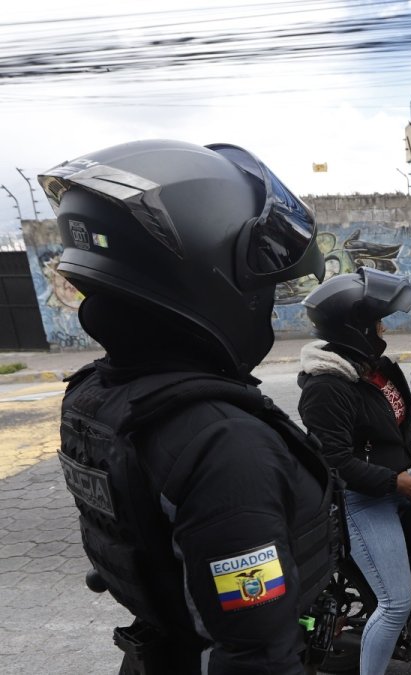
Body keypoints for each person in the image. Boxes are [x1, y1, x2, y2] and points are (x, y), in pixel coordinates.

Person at [42, 140, 338, 674]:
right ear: (208, 278)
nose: (267, 307)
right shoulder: (224, 447)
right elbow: (256, 657)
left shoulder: (93, 395)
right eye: (264, 291)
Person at [297, 268, 411, 675]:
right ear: (356, 328)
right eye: (377, 322)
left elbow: (394, 421)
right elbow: (337, 463)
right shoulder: (328, 387)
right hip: (366, 500)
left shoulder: (372, 368)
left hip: (399, 482)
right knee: (396, 603)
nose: (383, 329)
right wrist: (394, 480)